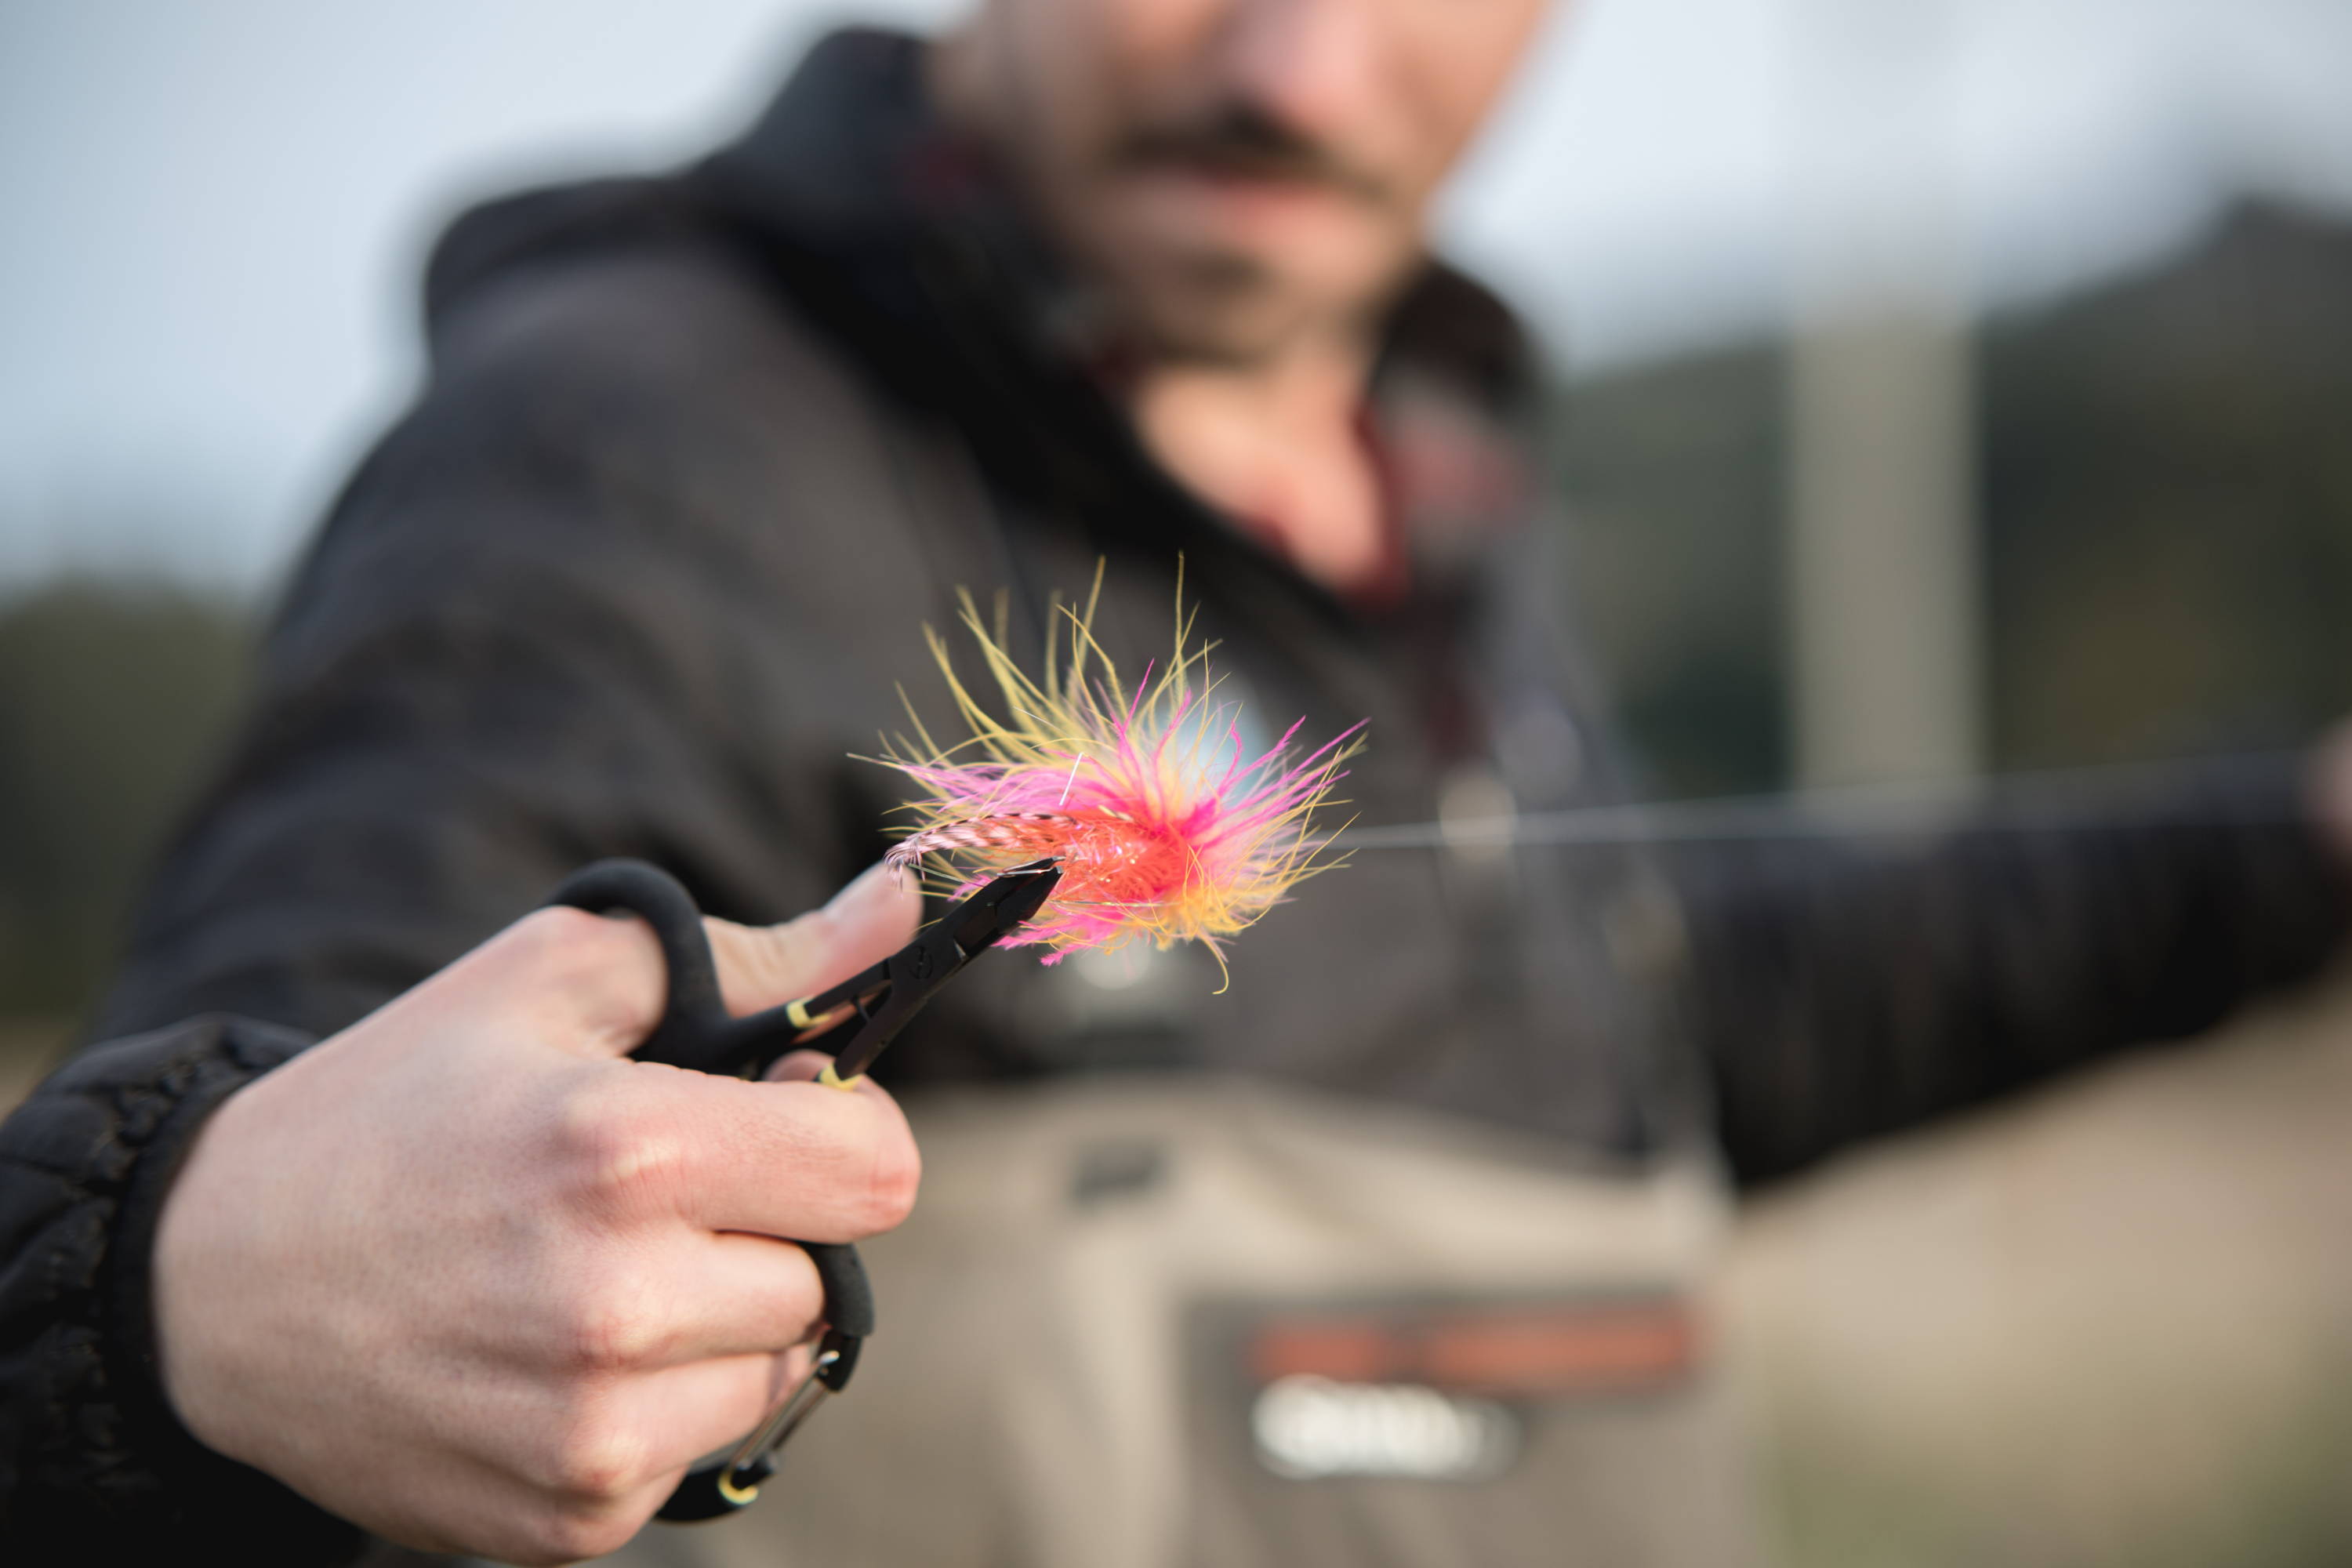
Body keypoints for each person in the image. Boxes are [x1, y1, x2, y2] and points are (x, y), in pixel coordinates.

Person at [4, 2, 2350, 1563]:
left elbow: (1621, 1028)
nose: (1301, 64)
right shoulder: (620, 448)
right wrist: (169, 1284)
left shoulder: (1435, 492)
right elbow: (319, 1101)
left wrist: (2302, 854)